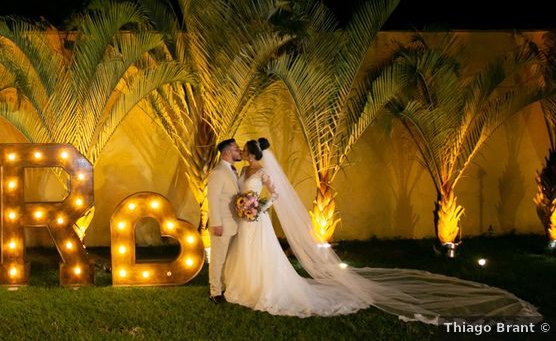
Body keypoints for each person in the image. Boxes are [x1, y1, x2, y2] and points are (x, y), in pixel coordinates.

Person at [222, 138, 541, 324]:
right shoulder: (244, 170)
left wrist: (259, 208)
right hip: (248, 222)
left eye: (246, 152)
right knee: (246, 254)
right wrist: (244, 206)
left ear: (254, 154)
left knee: (262, 257)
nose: (244, 155)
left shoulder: (262, 172)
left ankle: (263, 288)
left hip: (258, 222)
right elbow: (241, 193)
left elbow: (274, 195)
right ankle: (245, 286)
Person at [206, 138, 245, 303]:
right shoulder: (218, 172)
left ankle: (225, 286)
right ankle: (215, 292)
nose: (239, 151)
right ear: (228, 152)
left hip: (235, 222)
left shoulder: (233, 170)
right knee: (218, 258)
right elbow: (212, 199)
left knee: (228, 259)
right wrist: (216, 223)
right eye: (237, 148)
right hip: (222, 224)